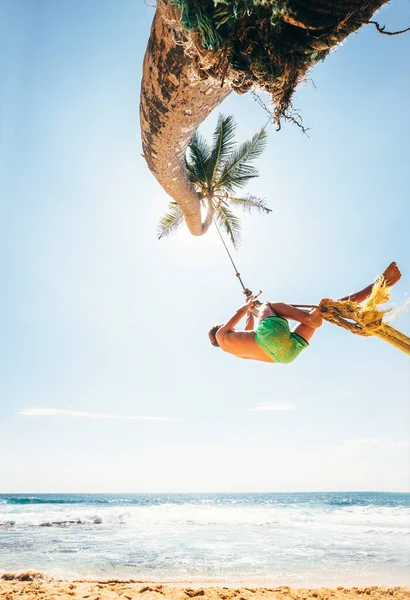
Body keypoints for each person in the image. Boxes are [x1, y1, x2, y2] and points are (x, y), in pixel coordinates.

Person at [208, 262, 401, 364]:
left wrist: (250, 310)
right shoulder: (220, 333)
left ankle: (378, 285)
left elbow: (249, 328)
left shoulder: (233, 349)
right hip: (267, 338)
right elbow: (238, 314)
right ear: (218, 330)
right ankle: (308, 317)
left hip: (283, 356)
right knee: (270, 305)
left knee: (323, 312)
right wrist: (249, 304)